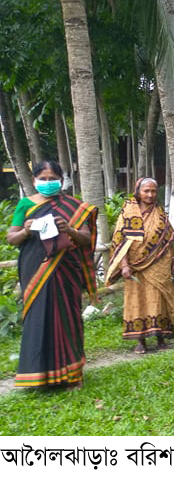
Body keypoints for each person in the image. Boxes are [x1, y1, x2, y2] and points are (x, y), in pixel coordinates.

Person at [7, 160, 97, 388]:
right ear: (35, 180)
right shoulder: (25, 204)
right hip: (34, 268)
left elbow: (86, 238)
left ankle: (72, 375)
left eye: (52, 179)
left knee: (67, 317)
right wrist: (26, 230)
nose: (48, 182)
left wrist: (69, 229)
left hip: (66, 269)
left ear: (61, 180)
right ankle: (39, 375)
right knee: (38, 317)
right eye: (43, 179)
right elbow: (12, 238)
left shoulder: (74, 206)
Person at [105, 177, 174, 354]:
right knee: (137, 300)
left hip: (159, 264)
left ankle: (161, 337)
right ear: (138, 191)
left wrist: (173, 264)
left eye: (153, 191)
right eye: (146, 191)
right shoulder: (128, 213)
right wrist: (124, 265)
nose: (150, 195)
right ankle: (140, 340)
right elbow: (120, 241)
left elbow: (168, 240)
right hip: (135, 266)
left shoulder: (160, 213)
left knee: (160, 299)